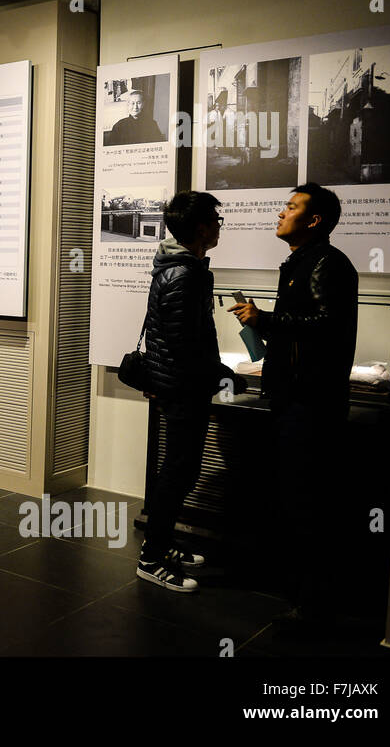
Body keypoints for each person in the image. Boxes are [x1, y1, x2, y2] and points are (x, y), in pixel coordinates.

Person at [228, 183, 358, 623]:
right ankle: (302, 591)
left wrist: (265, 319)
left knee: (309, 499)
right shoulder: (304, 261)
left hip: (311, 400)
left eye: (290, 207)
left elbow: (325, 324)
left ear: (314, 220)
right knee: (296, 494)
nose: (281, 213)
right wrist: (263, 323)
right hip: (295, 395)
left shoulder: (326, 263)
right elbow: (304, 326)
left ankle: (314, 605)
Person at [137, 191, 240, 592]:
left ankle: (162, 544)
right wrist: (220, 373)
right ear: (201, 229)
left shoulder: (183, 266)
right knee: (178, 472)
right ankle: (151, 557)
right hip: (183, 389)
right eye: (216, 220)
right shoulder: (185, 273)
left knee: (179, 470)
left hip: (180, 385)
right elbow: (185, 342)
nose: (218, 227)